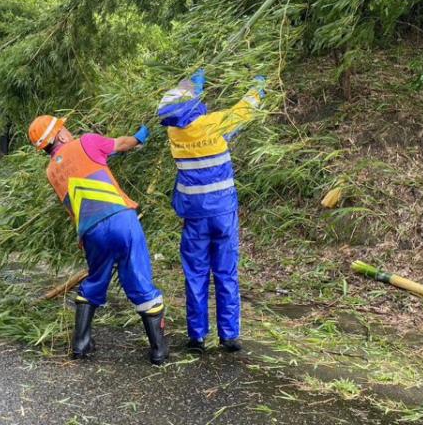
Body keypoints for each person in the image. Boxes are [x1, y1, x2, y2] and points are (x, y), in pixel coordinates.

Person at [27, 114, 169, 365]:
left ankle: (81, 345)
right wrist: (140, 136)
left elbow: (73, 201)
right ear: (59, 135)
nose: (68, 131)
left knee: (95, 280)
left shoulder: (51, 171)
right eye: (64, 128)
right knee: (139, 277)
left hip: (90, 231)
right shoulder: (87, 142)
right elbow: (122, 144)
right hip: (120, 220)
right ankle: (159, 351)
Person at [156, 69, 264, 353]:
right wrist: (258, 87)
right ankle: (229, 336)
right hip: (223, 214)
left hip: (194, 218)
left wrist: (191, 85)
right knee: (226, 272)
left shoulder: (174, 133)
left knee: (196, 273)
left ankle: (197, 336)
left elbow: (182, 106)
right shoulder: (214, 124)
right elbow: (245, 110)